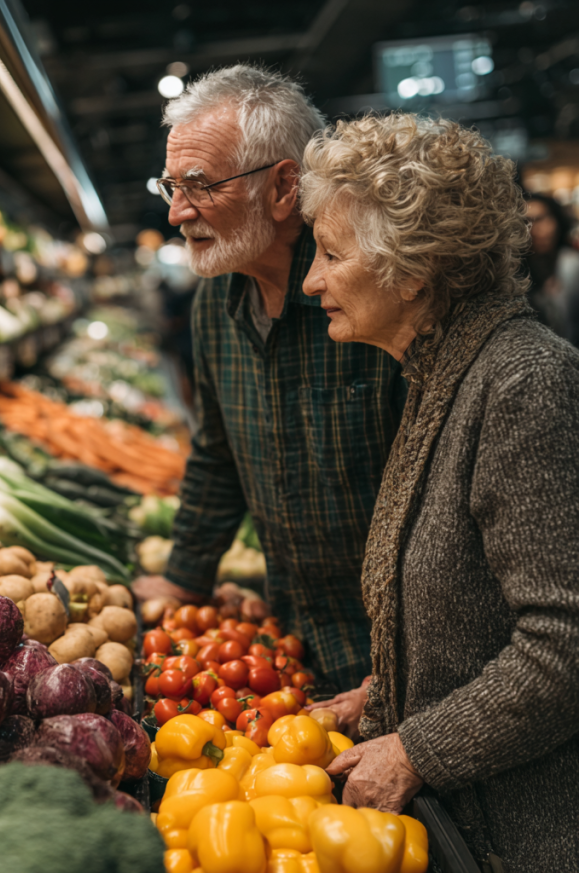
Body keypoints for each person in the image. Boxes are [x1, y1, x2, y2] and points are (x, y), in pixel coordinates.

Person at [301, 114, 579, 871]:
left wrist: (417, 747)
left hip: (525, 838)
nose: (311, 280)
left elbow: (564, 640)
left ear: (412, 268)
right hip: (464, 822)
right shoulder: (436, 374)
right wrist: (387, 688)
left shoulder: (523, 381)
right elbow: (466, 603)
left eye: (330, 254)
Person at [132, 65, 406, 691]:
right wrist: (186, 577)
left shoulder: (372, 296)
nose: (177, 213)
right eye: (170, 186)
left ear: (284, 187)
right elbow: (217, 452)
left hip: (402, 657)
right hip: (290, 643)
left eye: (199, 187)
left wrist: (412, 669)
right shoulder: (216, 302)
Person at [525, 193, 579, 344]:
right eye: (526, 221)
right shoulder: (517, 272)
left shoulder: (571, 264)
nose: (534, 229)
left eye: (541, 219)